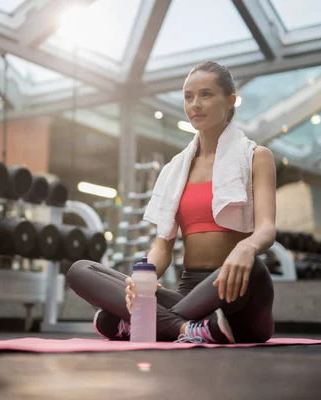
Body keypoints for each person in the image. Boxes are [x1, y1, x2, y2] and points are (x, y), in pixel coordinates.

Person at [66, 61, 277, 344]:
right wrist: (140, 282)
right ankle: (184, 329)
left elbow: (267, 229)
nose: (195, 104)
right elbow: (162, 246)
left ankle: (139, 323)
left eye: (205, 94)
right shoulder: (176, 169)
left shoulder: (255, 157)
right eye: (188, 96)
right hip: (191, 295)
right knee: (81, 270)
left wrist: (246, 247)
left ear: (230, 100)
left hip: (238, 290)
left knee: (253, 265)